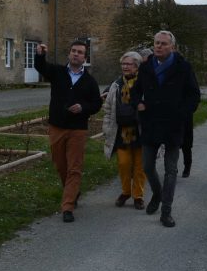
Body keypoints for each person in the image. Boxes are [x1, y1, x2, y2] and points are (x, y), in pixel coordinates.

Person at [133, 31, 200, 228]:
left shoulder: (183, 67)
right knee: (147, 165)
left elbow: (193, 95)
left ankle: (166, 211)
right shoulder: (146, 67)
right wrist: (138, 103)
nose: (159, 46)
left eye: (163, 44)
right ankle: (157, 193)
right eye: (156, 43)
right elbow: (136, 90)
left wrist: (182, 113)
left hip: (173, 124)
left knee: (171, 170)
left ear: (172, 47)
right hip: (151, 122)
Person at [35, 41, 102, 223]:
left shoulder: (89, 81)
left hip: (77, 129)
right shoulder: (57, 72)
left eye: (80, 52)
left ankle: (68, 206)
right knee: (60, 164)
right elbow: (40, 67)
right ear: (69, 54)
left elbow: (97, 104)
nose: (76, 54)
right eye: (73, 51)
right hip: (57, 126)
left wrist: (83, 107)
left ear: (84, 58)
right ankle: (72, 191)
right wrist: (40, 54)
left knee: (74, 167)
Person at [102, 51, 146, 210]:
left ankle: (138, 195)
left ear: (137, 66)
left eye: (129, 64)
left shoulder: (145, 83)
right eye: (123, 64)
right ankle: (126, 191)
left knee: (140, 166)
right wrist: (106, 128)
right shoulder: (116, 85)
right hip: (121, 132)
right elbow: (108, 109)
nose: (125, 67)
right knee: (124, 163)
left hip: (141, 131)